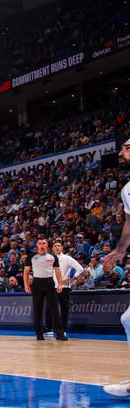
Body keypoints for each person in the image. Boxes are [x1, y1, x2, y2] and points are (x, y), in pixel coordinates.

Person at [101, 137, 130, 398]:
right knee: (128, 319)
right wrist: (120, 250)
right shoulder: (127, 190)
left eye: (126, 147)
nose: (120, 152)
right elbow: (129, 225)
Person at [23, 235, 67, 341]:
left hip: (49, 283)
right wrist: (26, 285)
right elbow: (26, 272)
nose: (42, 245)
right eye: (40, 243)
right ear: (37, 245)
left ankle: (60, 333)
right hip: (37, 283)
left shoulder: (52, 257)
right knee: (37, 309)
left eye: (44, 243)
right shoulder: (31, 257)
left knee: (55, 309)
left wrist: (60, 284)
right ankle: (39, 333)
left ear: (47, 245)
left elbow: (58, 271)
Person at [45, 240, 83, 335]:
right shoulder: (49, 258)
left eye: (59, 245)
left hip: (64, 287)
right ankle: (49, 329)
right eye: (55, 246)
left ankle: (63, 330)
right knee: (49, 308)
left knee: (63, 309)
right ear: (52, 248)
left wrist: (71, 279)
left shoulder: (67, 258)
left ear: (62, 248)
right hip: (51, 287)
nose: (57, 247)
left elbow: (80, 269)